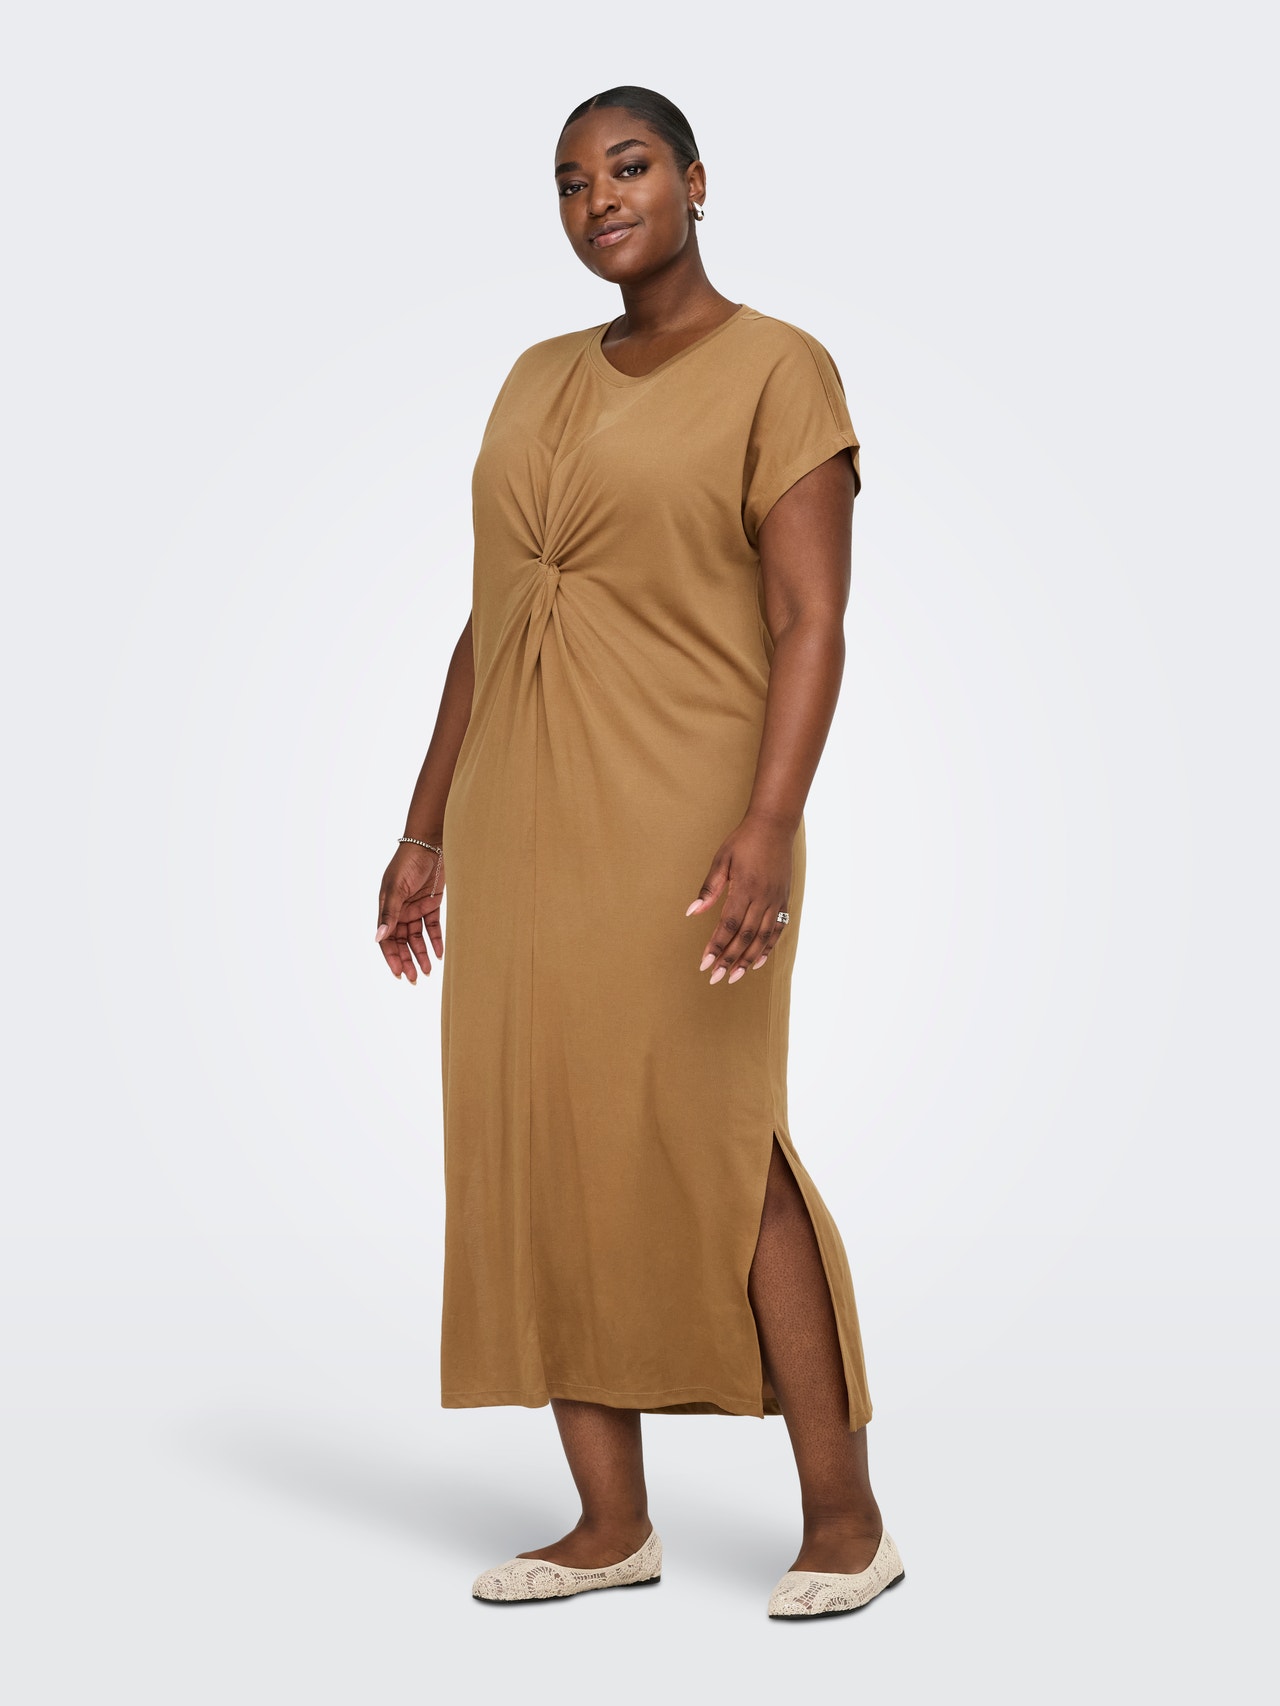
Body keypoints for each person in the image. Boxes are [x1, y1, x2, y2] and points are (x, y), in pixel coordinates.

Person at [374, 85, 905, 1620]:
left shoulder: (779, 368)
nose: (598, 197)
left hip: (689, 816)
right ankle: (610, 1520)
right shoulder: (534, 374)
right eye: (570, 181)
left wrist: (769, 823)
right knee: (543, 1137)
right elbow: (495, 613)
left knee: (717, 1137)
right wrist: (424, 823)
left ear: (694, 180)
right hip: (519, 817)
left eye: (627, 166)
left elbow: (813, 618)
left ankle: (848, 1517)